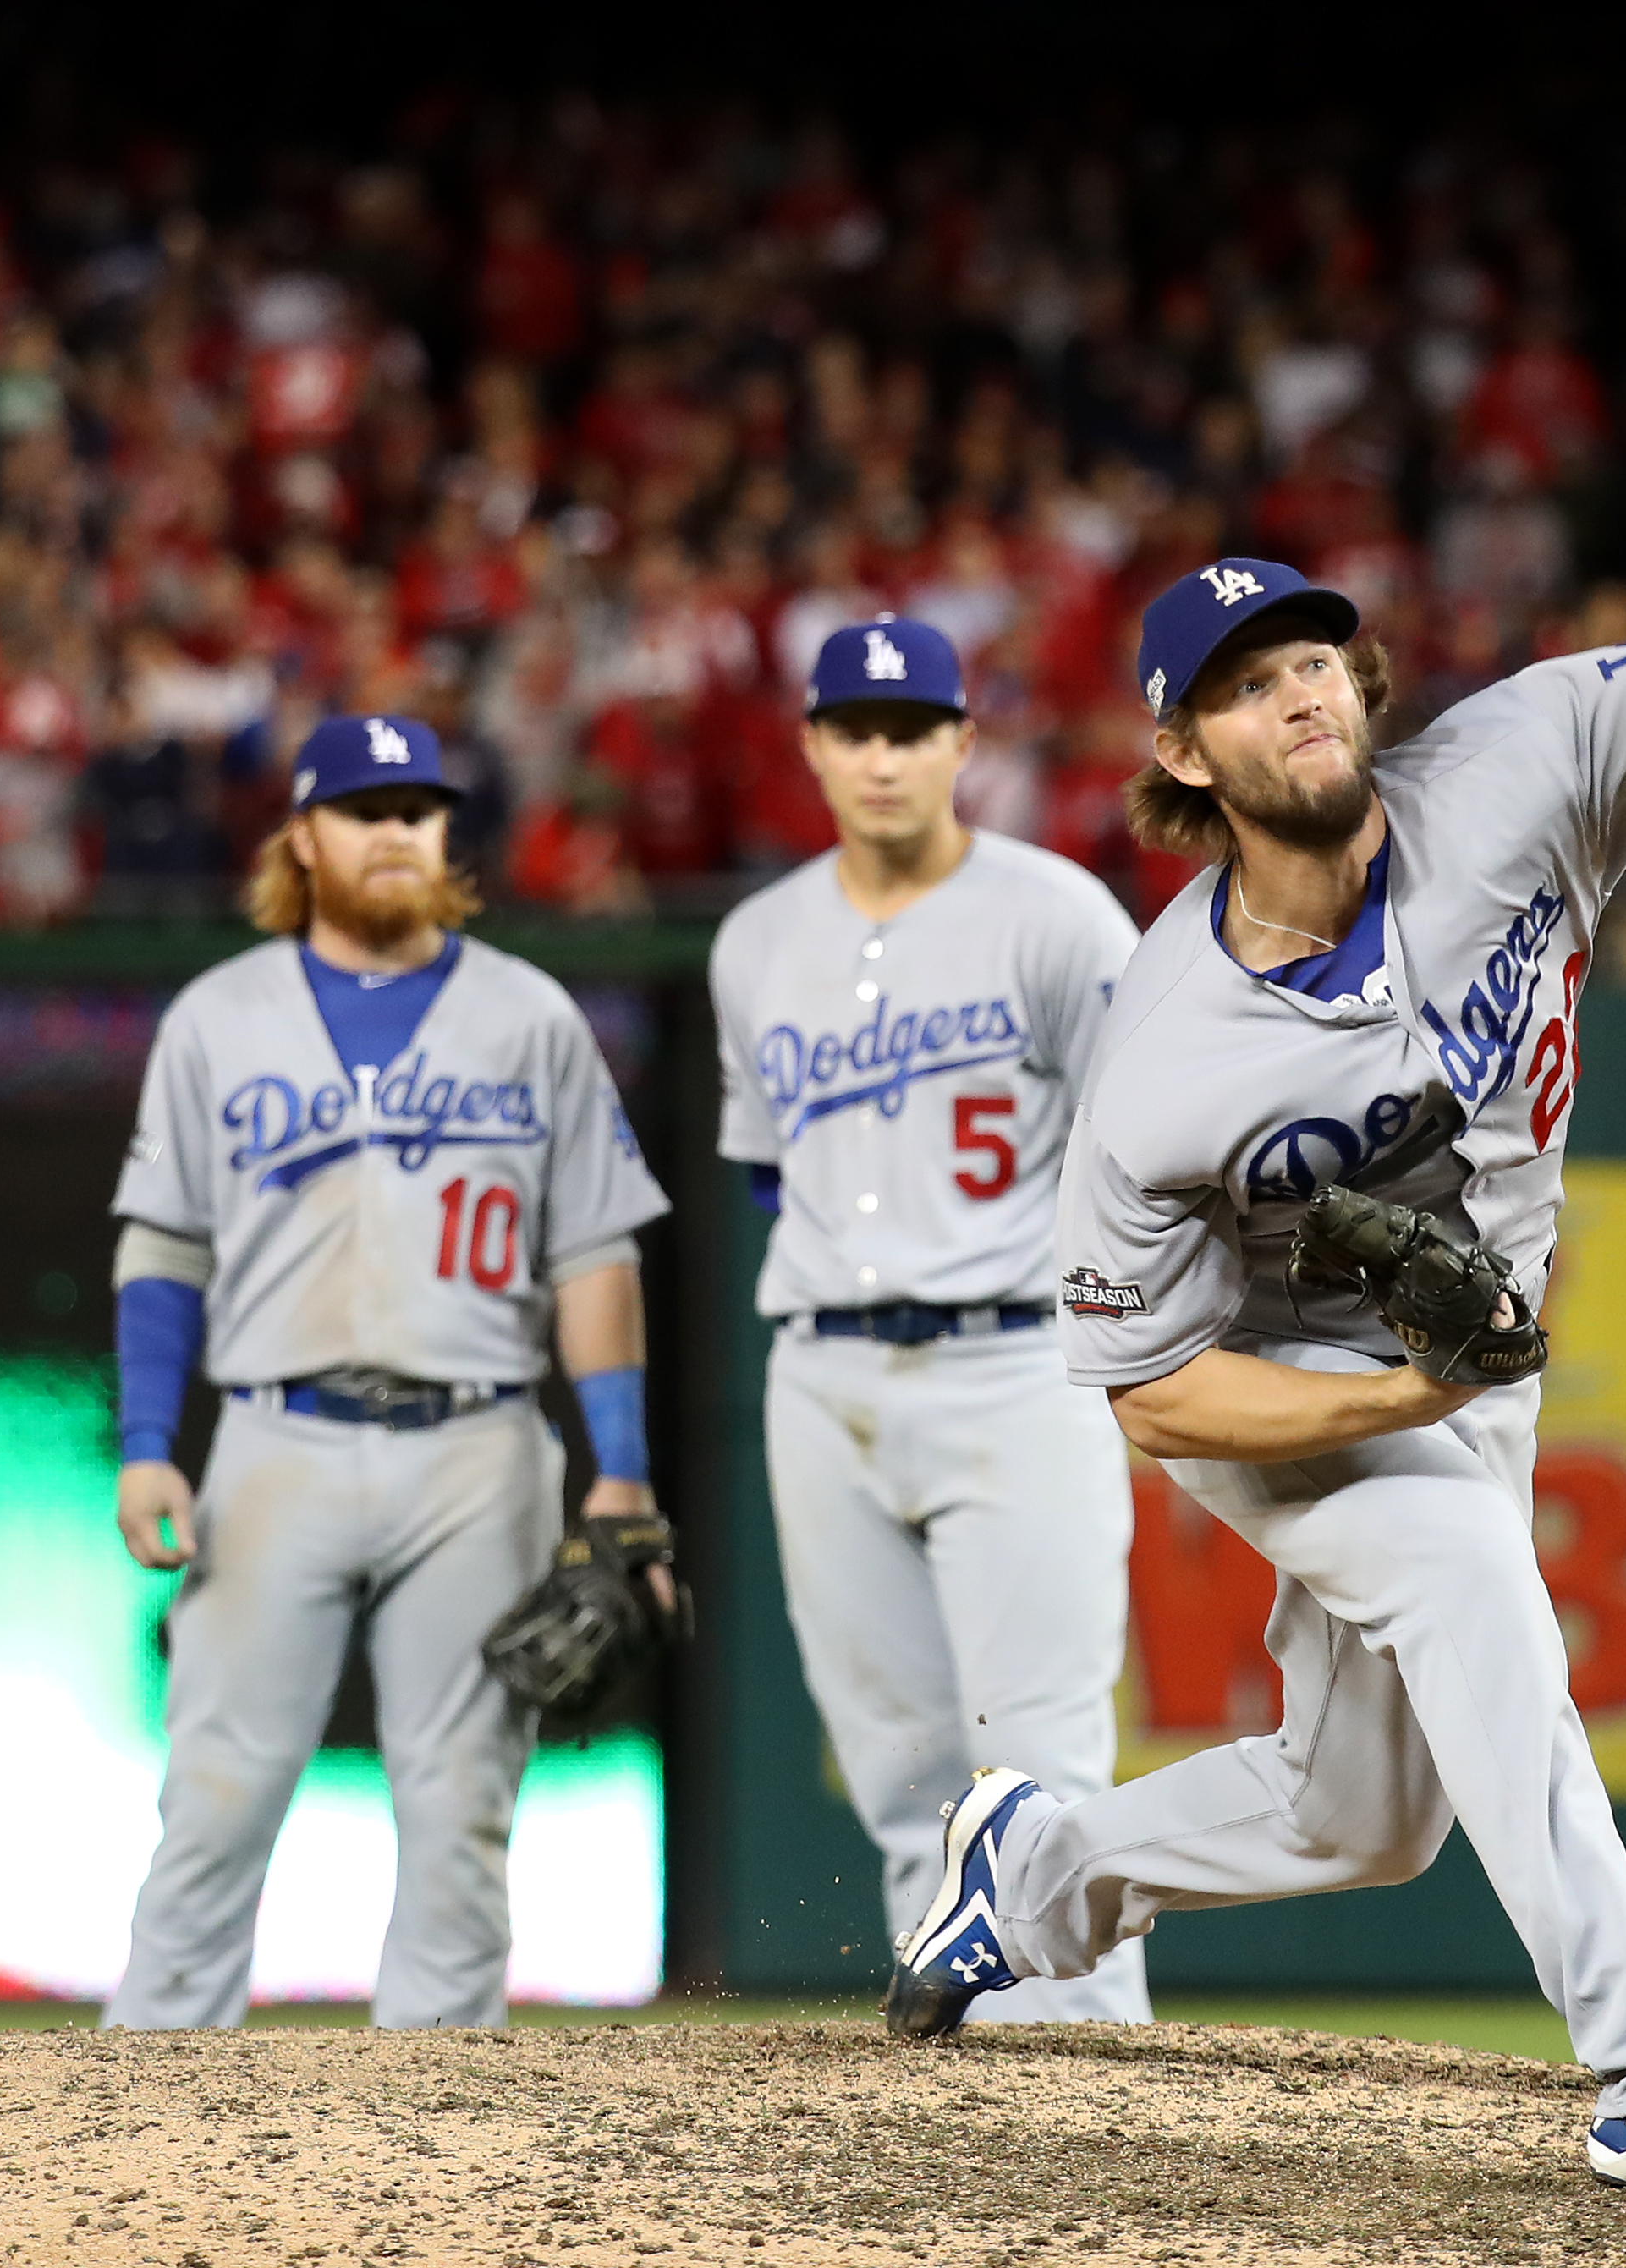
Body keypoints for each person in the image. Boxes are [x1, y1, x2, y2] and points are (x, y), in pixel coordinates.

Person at [886, 90, 1626, 2209]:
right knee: (1469, 1572)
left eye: (1311, 649)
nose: (1293, 684)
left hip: (1469, 1365)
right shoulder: (1163, 1058)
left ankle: (1036, 1872)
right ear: (1179, 756)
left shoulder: (1530, 766)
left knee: (1355, 1812)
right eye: (1238, 678)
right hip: (1301, 1395)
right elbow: (1146, 1385)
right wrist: (1400, 1394)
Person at [105, 712, 669, 2029]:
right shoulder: (219, 1015)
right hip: (274, 1436)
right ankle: (136, 2126)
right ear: (303, 836)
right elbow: (160, 1246)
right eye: (365, 811)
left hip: (477, 1441)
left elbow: (595, 1260)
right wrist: (145, 1442)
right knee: (217, 1793)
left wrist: (621, 1474)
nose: (396, 831)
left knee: (460, 1800)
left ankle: (442, 2143)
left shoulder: (528, 1015)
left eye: (417, 809)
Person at [707, 614, 1148, 2026]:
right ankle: (946, 2149)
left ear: (964, 741)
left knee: (1043, 1774)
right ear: (813, 746)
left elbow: (1145, 1141)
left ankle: (1091, 2119)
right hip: (823, 1376)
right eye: (855, 728)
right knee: (905, 1790)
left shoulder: (1058, 915)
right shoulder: (754, 941)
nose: (883, 755)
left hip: (1017, 1359)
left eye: (911, 729)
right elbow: (780, 1176)